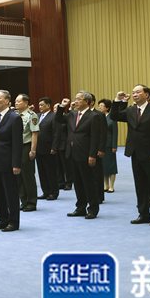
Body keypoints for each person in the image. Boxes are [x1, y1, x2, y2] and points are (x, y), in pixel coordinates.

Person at [110, 85, 150, 226]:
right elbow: (114, 116)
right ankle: (143, 215)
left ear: (147, 95)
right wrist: (118, 100)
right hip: (135, 152)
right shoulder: (130, 110)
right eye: (133, 92)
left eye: (138, 92)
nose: (135, 94)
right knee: (140, 185)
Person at [55, 91, 106, 220]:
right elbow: (58, 119)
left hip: (85, 153)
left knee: (88, 182)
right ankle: (80, 207)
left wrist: (92, 155)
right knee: (77, 182)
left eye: (79, 99)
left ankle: (93, 208)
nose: (76, 101)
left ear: (86, 102)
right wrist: (62, 106)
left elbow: (95, 137)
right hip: (72, 152)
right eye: (75, 99)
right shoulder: (72, 114)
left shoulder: (93, 116)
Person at [0, 90, 23, 232]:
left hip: (7, 161)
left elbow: (17, 143)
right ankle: (2, 220)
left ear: (7, 101)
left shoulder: (14, 118)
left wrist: (16, 164)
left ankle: (13, 222)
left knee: (10, 193)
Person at [15, 94, 40, 212]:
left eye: (19, 101)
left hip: (26, 146)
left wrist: (33, 150)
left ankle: (31, 202)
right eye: (15, 101)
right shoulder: (15, 115)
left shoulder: (31, 115)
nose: (16, 103)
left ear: (26, 103)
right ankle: (23, 201)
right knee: (18, 175)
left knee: (28, 175)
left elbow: (34, 133)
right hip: (16, 147)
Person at [34, 97, 59, 201]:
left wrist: (54, 147)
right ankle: (46, 191)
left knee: (50, 171)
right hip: (38, 148)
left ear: (48, 105)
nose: (40, 107)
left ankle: (53, 192)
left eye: (42, 105)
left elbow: (56, 133)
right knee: (42, 171)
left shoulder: (54, 116)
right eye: (39, 105)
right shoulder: (37, 116)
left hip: (49, 148)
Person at [98, 99, 118, 193]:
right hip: (101, 145)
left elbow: (115, 133)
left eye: (101, 106)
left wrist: (114, 145)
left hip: (109, 145)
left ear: (107, 108)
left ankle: (111, 186)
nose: (99, 107)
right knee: (103, 166)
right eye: (99, 106)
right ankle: (106, 185)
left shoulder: (112, 117)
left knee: (111, 166)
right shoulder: (98, 117)